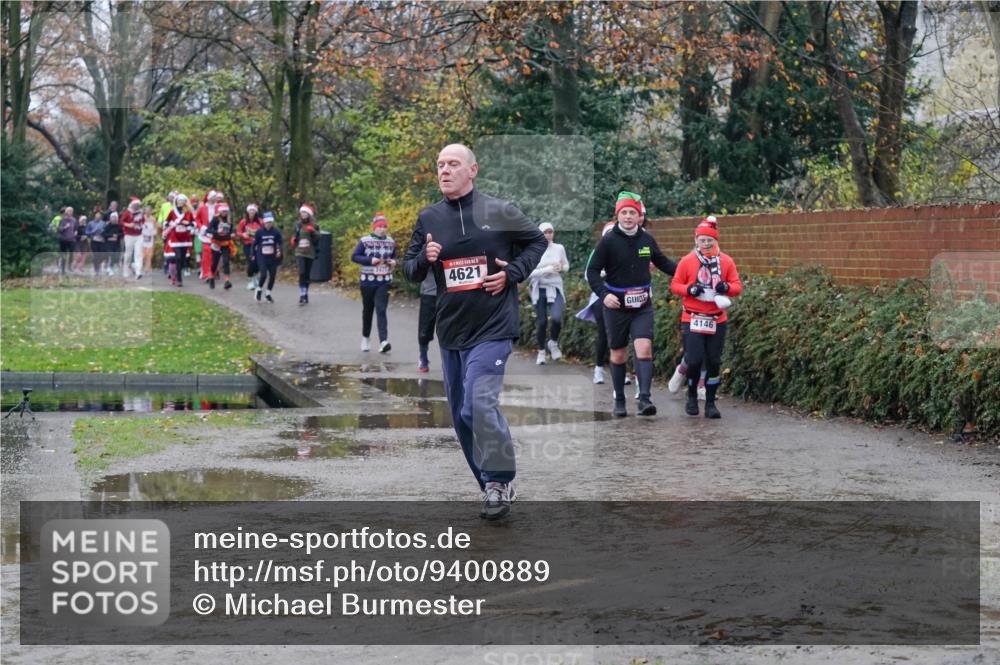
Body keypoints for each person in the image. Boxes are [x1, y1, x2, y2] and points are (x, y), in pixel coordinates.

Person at [403, 143, 547, 520]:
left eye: (452, 164)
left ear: (473, 170)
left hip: (494, 326)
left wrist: (512, 273)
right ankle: (490, 487)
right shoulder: (429, 218)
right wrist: (424, 259)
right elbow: (409, 270)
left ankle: (499, 479)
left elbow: (536, 242)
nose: (444, 171)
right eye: (439, 165)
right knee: (461, 416)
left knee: (478, 404)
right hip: (451, 330)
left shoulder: (499, 211)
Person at [586, 191, 677, 418]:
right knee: (618, 355)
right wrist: (603, 294)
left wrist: (687, 271)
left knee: (644, 349)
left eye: (632, 213)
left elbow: (662, 262)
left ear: (639, 217)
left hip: (642, 305)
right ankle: (619, 398)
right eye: (624, 212)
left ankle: (645, 399)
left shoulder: (646, 239)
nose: (628, 217)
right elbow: (592, 271)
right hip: (616, 305)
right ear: (618, 216)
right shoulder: (608, 241)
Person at [670, 216, 742, 418]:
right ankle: (691, 395)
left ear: (716, 241)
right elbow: (675, 285)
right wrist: (689, 289)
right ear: (696, 241)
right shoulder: (687, 261)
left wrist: (726, 287)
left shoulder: (726, 261)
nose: (707, 244)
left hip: (717, 319)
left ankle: (710, 402)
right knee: (694, 360)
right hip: (692, 317)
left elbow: (737, 286)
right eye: (702, 240)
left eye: (710, 240)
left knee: (713, 361)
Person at [351, 212, 397, 353]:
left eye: (384, 226)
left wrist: (393, 262)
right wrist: (370, 261)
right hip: (368, 281)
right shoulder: (365, 241)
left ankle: (383, 341)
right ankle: (366, 338)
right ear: (374, 227)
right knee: (368, 310)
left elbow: (394, 256)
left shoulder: (390, 241)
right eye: (379, 227)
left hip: (384, 281)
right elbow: (355, 257)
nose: (382, 229)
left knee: (381, 310)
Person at [527, 222, 570, 365]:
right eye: (545, 232)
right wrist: (547, 270)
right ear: (540, 233)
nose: (548, 235)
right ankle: (541, 352)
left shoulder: (559, 248)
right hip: (539, 289)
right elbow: (528, 273)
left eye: (550, 232)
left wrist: (560, 267)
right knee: (542, 322)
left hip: (555, 288)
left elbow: (566, 266)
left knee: (557, 318)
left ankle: (553, 342)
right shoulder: (533, 250)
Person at [163, 194, 195, 286]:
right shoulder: (172, 212)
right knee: (178, 257)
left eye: (182, 201)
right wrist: (171, 224)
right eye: (179, 201)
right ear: (176, 201)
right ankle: (179, 279)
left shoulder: (188, 212)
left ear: (185, 202)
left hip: (185, 238)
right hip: (175, 238)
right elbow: (166, 222)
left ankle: (178, 276)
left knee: (182, 258)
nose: (180, 202)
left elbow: (194, 223)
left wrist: (188, 223)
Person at [291, 204, 320, 304]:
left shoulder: (314, 225)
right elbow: (294, 236)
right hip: (299, 252)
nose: (303, 214)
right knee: (302, 272)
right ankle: (302, 294)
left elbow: (318, 238)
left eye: (305, 213)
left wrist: (313, 231)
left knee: (307, 275)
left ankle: (305, 294)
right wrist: (293, 239)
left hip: (310, 253)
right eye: (302, 213)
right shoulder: (298, 225)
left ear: (309, 214)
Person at [252, 212, 283, 303]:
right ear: (264, 223)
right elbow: (254, 244)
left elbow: (280, 243)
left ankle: (268, 294)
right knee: (264, 275)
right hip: (262, 256)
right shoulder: (259, 232)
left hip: (272, 257)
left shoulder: (276, 231)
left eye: (270, 222)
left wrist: (279, 250)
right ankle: (259, 289)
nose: (269, 224)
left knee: (273, 276)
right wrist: (253, 254)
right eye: (267, 222)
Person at [206, 201, 235, 290]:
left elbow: (231, 230)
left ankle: (227, 281)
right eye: (223, 211)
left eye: (226, 211)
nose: (224, 213)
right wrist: (216, 232)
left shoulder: (229, 219)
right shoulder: (215, 219)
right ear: (220, 211)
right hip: (216, 243)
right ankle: (211, 277)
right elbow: (208, 230)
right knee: (215, 262)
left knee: (226, 262)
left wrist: (233, 234)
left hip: (226, 243)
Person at [237, 204, 264, 290]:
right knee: (251, 262)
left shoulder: (260, 222)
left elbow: (265, 231)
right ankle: (250, 281)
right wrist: (243, 234)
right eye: (250, 210)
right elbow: (238, 232)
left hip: (258, 245)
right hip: (248, 245)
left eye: (253, 210)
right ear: (247, 212)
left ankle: (255, 277)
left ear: (256, 212)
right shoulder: (243, 222)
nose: (252, 212)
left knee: (258, 263)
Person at [119, 197, 146, 279]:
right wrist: (128, 225)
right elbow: (121, 222)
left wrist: (142, 226)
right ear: (132, 204)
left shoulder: (141, 212)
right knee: (128, 254)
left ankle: (138, 272)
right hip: (129, 235)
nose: (136, 206)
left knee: (139, 253)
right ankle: (126, 270)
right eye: (135, 204)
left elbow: (143, 221)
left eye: (138, 204)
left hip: (139, 235)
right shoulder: (127, 212)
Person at [416, 272, 437, 373]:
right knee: (425, 330)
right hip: (429, 291)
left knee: (452, 329)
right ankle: (423, 356)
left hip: (451, 292)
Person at [56, 207, 77, 274]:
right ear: (66, 212)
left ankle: (69, 266)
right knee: (63, 255)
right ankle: (63, 269)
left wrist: (76, 232)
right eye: (69, 211)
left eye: (71, 211)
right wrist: (65, 227)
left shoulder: (74, 220)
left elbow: (76, 228)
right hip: (63, 240)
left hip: (71, 239)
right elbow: (59, 230)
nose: (70, 212)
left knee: (71, 254)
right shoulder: (62, 220)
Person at [105, 211, 123, 276]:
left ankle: (111, 268)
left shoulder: (119, 226)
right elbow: (104, 234)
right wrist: (111, 235)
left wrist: (117, 236)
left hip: (117, 244)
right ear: (110, 218)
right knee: (111, 256)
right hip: (109, 244)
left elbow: (122, 234)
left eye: (115, 217)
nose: (113, 219)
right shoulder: (107, 226)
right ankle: (109, 268)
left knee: (117, 256)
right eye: (112, 217)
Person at [141, 206, 158, 274]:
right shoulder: (142, 218)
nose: (147, 212)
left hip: (150, 238)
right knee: (143, 254)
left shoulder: (153, 219)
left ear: (151, 211)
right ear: (144, 211)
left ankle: (147, 269)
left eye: (149, 210)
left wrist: (154, 234)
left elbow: (155, 228)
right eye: (146, 210)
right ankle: (142, 268)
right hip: (143, 238)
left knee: (149, 254)